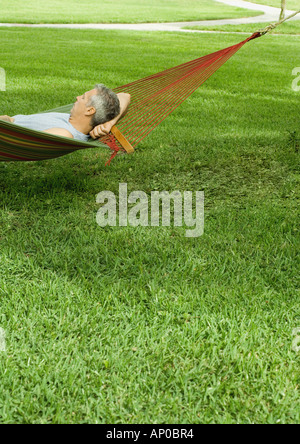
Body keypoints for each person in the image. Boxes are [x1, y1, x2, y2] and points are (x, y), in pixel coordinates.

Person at [0, 84, 131, 141]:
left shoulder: (65, 133)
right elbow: (125, 96)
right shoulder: (69, 120)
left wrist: (6, 122)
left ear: (90, 110)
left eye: (83, 97)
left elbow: (22, 141)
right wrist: (110, 123)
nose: (77, 98)